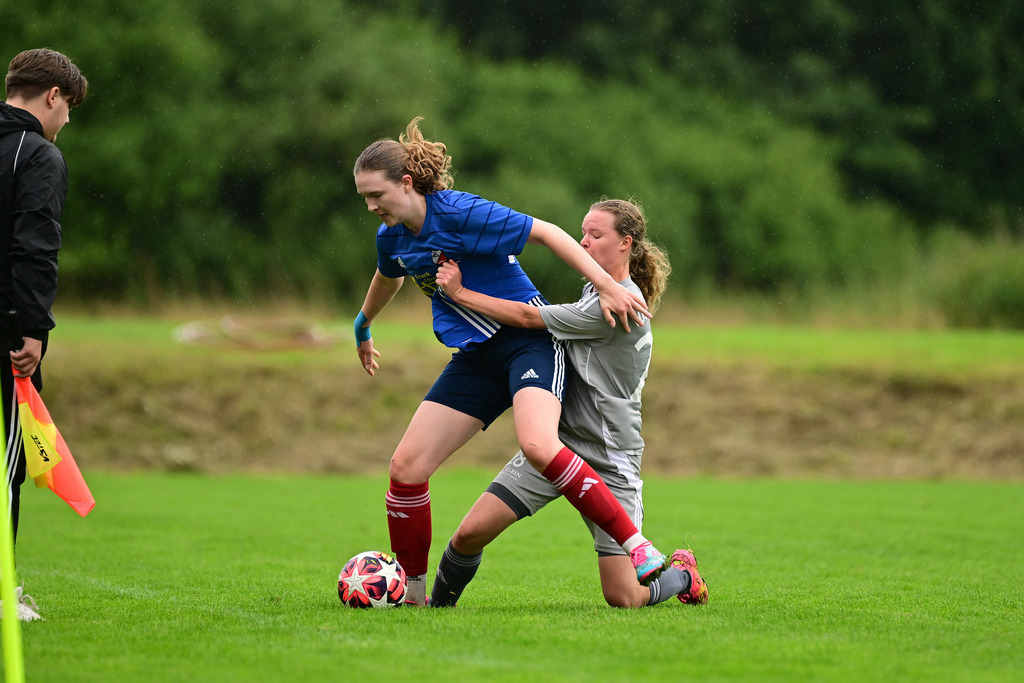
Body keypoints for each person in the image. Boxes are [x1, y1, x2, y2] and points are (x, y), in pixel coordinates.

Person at [353, 118, 670, 606]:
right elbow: (388, 273)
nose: (371, 206)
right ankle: (412, 595)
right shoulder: (391, 235)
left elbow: (546, 233)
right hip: (477, 357)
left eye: (376, 195)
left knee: (539, 445)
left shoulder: (460, 211)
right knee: (406, 467)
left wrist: (608, 285)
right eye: (364, 198)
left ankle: (638, 547)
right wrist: (363, 321)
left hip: (528, 345)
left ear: (407, 183)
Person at [430, 199, 708, 608]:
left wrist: (459, 293)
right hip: (556, 449)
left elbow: (527, 319)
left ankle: (684, 576)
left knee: (624, 597)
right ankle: (433, 612)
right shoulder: (595, 291)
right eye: (583, 233)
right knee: (469, 534)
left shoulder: (614, 306)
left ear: (625, 244)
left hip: (609, 458)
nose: (583, 242)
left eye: (596, 235)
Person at [0, 48, 88, 621]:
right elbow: (35, 246)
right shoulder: (38, 153)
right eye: (68, 109)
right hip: (5, 333)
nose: (64, 123)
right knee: (3, 469)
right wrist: (33, 330)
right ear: (52, 96)